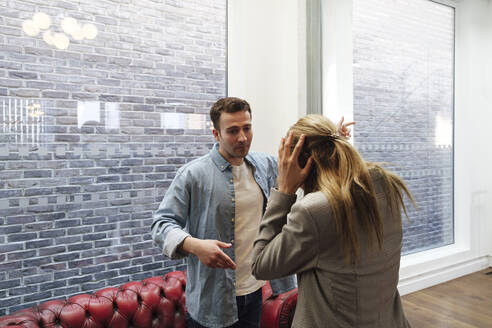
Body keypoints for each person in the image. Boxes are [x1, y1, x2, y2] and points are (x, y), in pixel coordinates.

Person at [251, 114, 416, 328]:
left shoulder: (313, 211)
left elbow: (260, 265)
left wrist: (284, 191)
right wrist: (331, 145)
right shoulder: (387, 184)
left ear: (300, 164)